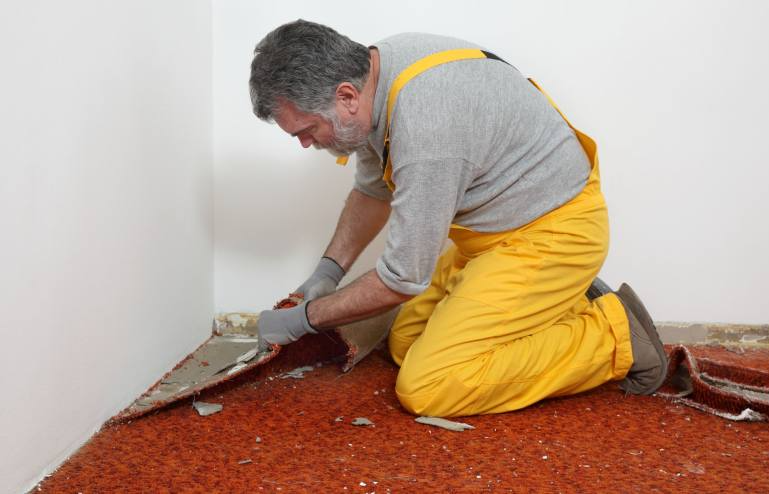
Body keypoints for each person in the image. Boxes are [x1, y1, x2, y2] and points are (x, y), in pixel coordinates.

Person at [249, 19, 667, 417]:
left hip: (554, 235)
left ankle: (615, 335)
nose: (306, 143)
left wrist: (304, 319)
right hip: (496, 234)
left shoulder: (427, 125)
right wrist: (328, 272)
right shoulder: (379, 73)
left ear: (345, 97)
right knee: (405, 343)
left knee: (429, 384)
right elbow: (373, 191)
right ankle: (565, 302)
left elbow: (401, 279)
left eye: (306, 130)